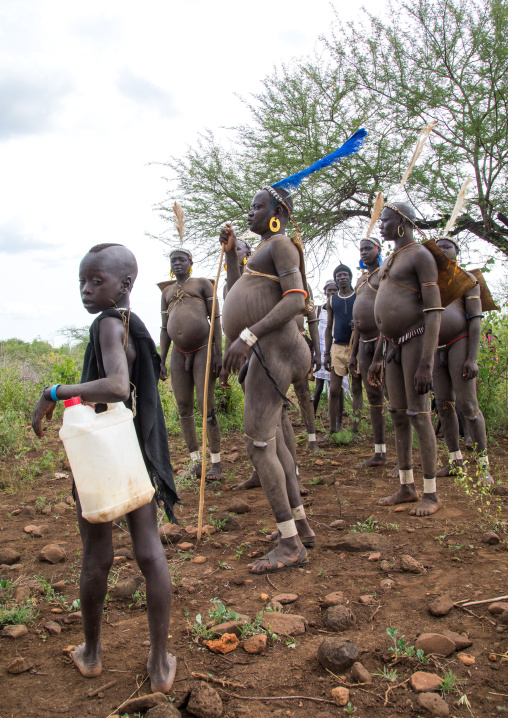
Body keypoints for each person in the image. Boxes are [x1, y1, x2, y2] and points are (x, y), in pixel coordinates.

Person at [31, 243, 177, 692]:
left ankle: (92, 654)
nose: (86, 290)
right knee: (149, 552)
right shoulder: (134, 325)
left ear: (126, 284)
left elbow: (115, 386)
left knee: (98, 555)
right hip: (135, 451)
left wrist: (54, 391)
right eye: (82, 281)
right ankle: (158, 662)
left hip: (103, 454)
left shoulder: (107, 326)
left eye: (97, 281)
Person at [219, 186, 315, 573]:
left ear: (277, 210)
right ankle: (300, 527)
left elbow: (297, 300)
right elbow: (240, 288)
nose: (249, 212)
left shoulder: (282, 246)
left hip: (276, 349)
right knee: (273, 445)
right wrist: (230, 258)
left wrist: (247, 335)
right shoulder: (264, 251)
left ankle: (290, 545)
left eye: (257, 206)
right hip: (268, 349)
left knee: (259, 446)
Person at [368, 203, 443, 516]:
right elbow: (387, 314)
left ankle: (431, 493)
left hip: (415, 343)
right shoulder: (393, 258)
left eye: (385, 220)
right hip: (392, 347)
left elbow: (434, 312)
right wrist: (376, 358)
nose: (380, 226)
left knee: (419, 414)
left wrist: (427, 363)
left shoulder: (421, 256)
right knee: (398, 414)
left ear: (401, 222)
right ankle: (406, 486)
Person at [159, 248, 223, 479]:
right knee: (183, 405)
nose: (177, 263)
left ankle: (216, 463)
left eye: (181, 260)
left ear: (190, 261)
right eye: (173, 260)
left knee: (205, 402)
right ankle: (196, 461)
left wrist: (218, 352)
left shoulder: (202, 284)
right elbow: (165, 328)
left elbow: (215, 317)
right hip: (177, 351)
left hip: (203, 349)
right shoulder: (166, 291)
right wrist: (162, 359)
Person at [433, 237, 492, 483]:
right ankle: (455, 461)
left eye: (447, 246)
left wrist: (472, 358)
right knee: (444, 406)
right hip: (436, 348)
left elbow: (475, 319)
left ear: (457, 251)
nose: (443, 250)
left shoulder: (468, 280)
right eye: (439, 247)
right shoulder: (429, 281)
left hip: (460, 343)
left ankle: (483, 467)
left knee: (468, 406)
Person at [349, 238, 387, 466]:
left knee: (393, 397)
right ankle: (379, 452)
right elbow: (356, 320)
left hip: (383, 342)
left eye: (367, 248)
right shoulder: (361, 280)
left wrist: (380, 355)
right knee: (373, 396)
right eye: (360, 249)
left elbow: (388, 313)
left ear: (377, 250)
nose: (363, 252)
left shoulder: (384, 275)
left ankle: (406, 458)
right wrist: (352, 353)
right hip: (363, 342)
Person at [324, 264, 363, 437]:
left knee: (356, 388)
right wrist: (326, 352)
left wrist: (359, 325)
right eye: (338, 275)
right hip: (338, 347)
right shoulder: (332, 300)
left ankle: (355, 430)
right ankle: (333, 429)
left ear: (350, 277)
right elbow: (328, 327)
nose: (342, 277)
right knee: (334, 390)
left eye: (345, 274)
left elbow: (367, 317)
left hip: (356, 346)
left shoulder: (359, 296)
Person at [312, 280, 338, 414]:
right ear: (325, 292)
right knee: (319, 385)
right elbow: (314, 330)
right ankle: (312, 417)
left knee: (335, 387)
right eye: (329, 290)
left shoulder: (340, 308)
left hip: (337, 349)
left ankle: (335, 421)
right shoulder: (318, 309)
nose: (332, 292)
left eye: (334, 290)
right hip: (321, 350)